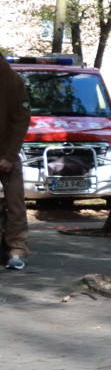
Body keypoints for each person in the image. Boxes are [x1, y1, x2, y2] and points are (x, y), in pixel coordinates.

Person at [1, 58, 31, 270]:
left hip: (4, 151)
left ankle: (17, 248)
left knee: (14, 203)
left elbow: (21, 119)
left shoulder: (11, 80)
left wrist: (9, 156)